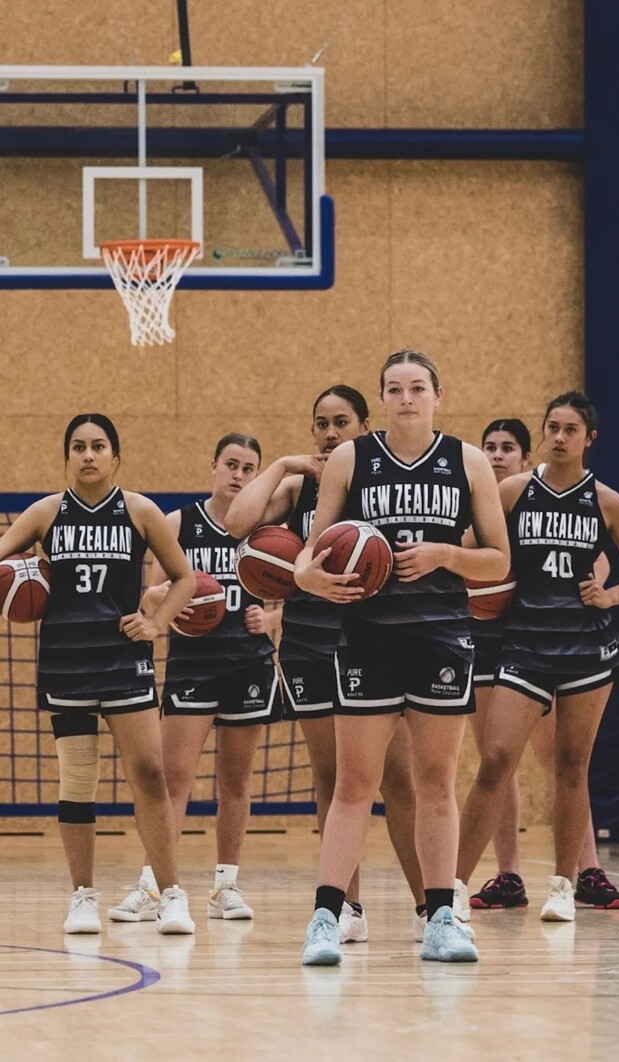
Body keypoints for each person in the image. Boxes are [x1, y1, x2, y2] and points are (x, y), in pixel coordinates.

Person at [294, 350, 510, 965]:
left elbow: (499, 560)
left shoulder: (467, 461)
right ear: (381, 399)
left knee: (435, 782)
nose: (407, 398)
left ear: (439, 394)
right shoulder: (350, 458)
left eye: (418, 387)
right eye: (395, 389)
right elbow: (308, 561)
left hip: (442, 635)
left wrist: (447, 555)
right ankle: (326, 920)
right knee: (353, 783)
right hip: (367, 635)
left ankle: (441, 916)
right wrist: (315, 583)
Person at [226, 385, 426, 944]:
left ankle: (426, 906)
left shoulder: (383, 478)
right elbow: (236, 522)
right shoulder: (297, 486)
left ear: (365, 426)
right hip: (310, 641)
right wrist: (287, 464)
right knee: (333, 778)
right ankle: (349, 909)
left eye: (341, 422)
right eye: (320, 424)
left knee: (400, 778)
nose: (329, 433)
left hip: (374, 637)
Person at [455, 392, 619, 923]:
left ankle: (564, 887)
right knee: (496, 760)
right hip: (524, 643)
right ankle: (450, 891)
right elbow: (473, 548)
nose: (559, 436)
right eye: (552, 427)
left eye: (571, 429)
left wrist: (610, 596)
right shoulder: (514, 490)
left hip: (587, 646)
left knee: (572, 767)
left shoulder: (606, 501)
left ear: (589, 438)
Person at [0, 414, 196, 934]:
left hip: (123, 662)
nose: (88, 455)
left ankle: (171, 893)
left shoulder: (140, 510)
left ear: (116, 457)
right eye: (79, 447)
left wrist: (155, 622)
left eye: (99, 446)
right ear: (67, 457)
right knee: (78, 781)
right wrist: (16, 582)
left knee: (151, 775)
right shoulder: (44, 514)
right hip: (66, 663)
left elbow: (184, 578)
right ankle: (82, 896)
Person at [109, 433, 311, 924]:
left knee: (236, 781)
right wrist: (178, 610)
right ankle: (154, 886)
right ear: (213, 466)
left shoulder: (266, 527)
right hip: (193, 662)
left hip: (250, 662)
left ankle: (226, 887)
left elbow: (302, 588)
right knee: (173, 779)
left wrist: (274, 620)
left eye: (249, 467)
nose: (239, 475)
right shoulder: (180, 523)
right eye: (231, 465)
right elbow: (153, 594)